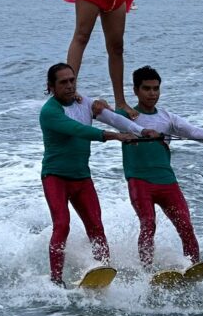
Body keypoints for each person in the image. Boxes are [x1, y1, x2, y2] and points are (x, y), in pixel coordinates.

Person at [39, 62, 158, 287]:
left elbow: (114, 119)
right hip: (56, 177)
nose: (70, 86)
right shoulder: (49, 112)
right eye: (63, 82)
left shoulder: (84, 103)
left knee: (96, 226)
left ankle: (102, 270)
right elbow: (78, 130)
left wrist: (141, 130)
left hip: (81, 177)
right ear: (51, 87)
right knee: (62, 225)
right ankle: (56, 280)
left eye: (72, 80)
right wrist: (115, 136)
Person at [117, 66, 203, 269]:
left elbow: (192, 132)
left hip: (167, 181)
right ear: (136, 90)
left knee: (186, 227)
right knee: (148, 224)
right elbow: (100, 114)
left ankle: (194, 267)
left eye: (156, 88)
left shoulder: (167, 117)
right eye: (146, 88)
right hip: (139, 181)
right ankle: (146, 272)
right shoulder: (126, 116)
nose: (152, 93)